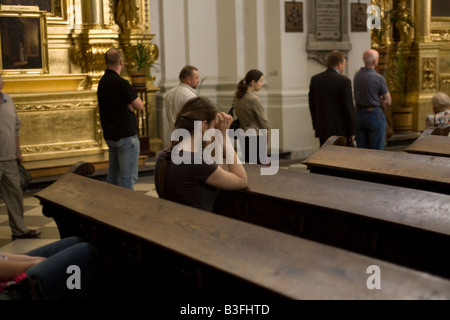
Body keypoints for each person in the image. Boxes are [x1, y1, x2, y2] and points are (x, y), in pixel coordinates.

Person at [155, 97, 247, 212]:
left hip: (175, 222)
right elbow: (241, 180)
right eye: (213, 127)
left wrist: (217, 136)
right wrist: (224, 137)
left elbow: (215, 169)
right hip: (197, 226)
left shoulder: (165, 154)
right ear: (203, 126)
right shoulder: (196, 161)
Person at [97, 48, 144, 190]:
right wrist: (130, 104)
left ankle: (111, 209)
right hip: (125, 136)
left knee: (113, 178)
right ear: (121, 62)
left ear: (106, 62)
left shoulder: (102, 82)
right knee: (127, 179)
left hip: (111, 136)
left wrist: (127, 103)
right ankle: (126, 211)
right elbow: (140, 105)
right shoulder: (121, 83)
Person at [0, 75, 40, 239]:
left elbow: (16, 127)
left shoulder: (8, 100)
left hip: (9, 158)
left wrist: (18, 151)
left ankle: (19, 230)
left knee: (15, 194)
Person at [0, 236, 99, 300]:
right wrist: (32, 263)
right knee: (84, 252)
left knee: (74, 242)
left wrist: (29, 259)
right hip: (7, 290)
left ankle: (71, 291)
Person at [308, 50, 356, 146]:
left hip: (322, 128)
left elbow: (312, 104)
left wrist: (316, 125)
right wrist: (352, 131)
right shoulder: (344, 81)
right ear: (339, 64)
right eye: (344, 64)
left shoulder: (316, 79)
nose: (344, 66)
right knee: (341, 158)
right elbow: (348, 107)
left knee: (325, 157)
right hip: (340, 130)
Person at [353, 49, 392, 150]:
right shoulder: (378, 77)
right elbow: (389, 100)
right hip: (374, 114)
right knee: (377, 149)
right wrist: (382, 100)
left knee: (362, 149)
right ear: (375, 62)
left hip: (359, 114)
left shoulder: (357, 76)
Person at [233, 69, 270, 164]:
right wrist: (267, 135)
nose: (262, 84)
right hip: (255, 137)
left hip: (243, 136)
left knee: (249, 166)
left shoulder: (238, 96)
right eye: (261, 81)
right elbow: (263, 122)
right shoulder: (253, 99)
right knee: (259, 168)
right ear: (253, 82)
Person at [165, 65, 200, 130]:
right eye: (196, 78)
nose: (198, 80)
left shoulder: (169, 93)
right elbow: (196, 120)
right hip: (188, 135)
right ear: (188, 80)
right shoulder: (190, 96)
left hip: (174, 134)